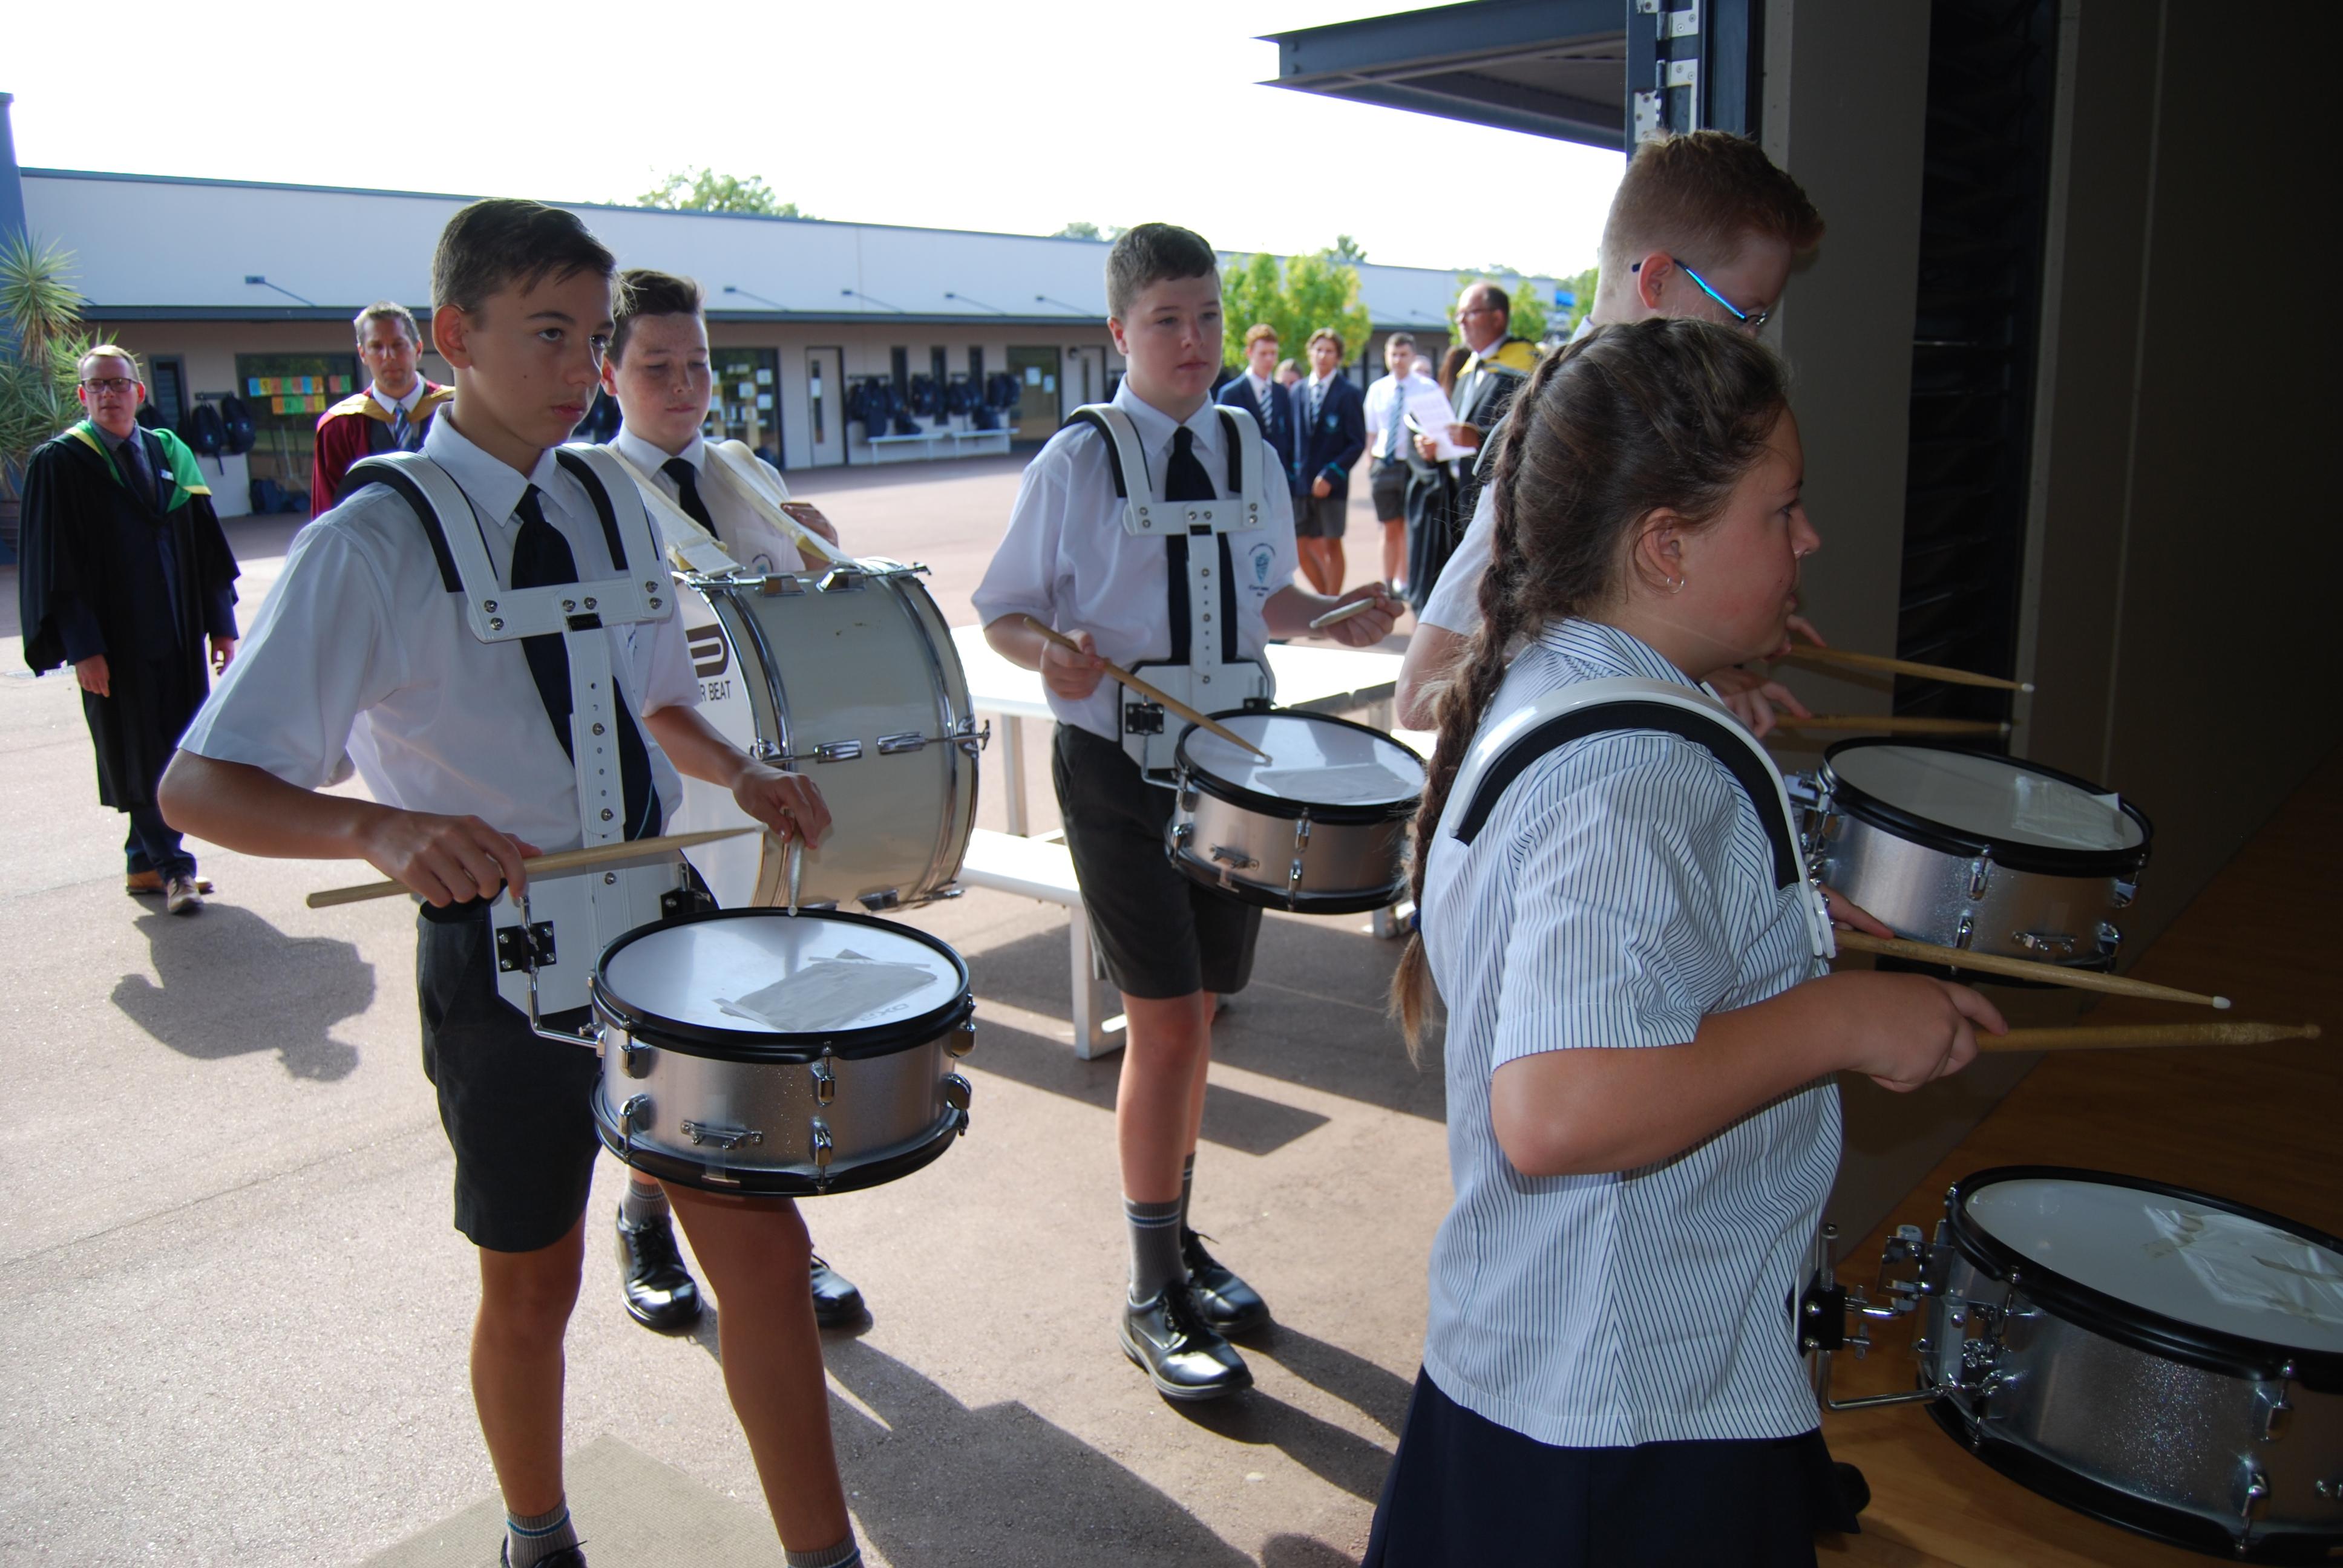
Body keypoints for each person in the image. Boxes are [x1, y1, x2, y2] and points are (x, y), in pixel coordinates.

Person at [159, 200, 863, 1568]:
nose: (576, 367)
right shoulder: (370, 540)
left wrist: (746, 770)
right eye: (549, 334)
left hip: (660, 936)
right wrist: (376, 830)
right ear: (451, 337)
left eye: (590, 339)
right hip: (498, 957)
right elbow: (202, 784)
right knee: (531, 1279)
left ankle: (823, 1558)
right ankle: (537, 1535)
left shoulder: (609, 498)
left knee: (765, 1255)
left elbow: (658, 699)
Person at [1369, 320, 2003, 1566]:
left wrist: (1787, 933)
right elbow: (1558, 1109)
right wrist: (1839, 1020)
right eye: (1781, 512)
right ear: (1664, 545)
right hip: (1622, 1426)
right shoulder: (1631, 767)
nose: (1809, 539)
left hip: (1551, 1364)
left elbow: (1598, 954)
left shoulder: (1547, 680)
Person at [973, 223, 1397, 1403]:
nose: (1193, 340)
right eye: (1165, 319)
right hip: (1120, 776)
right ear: (1118, 332)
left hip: (1235, 766)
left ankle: (1181, 1240)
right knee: (1164, 1026)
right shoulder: (1079, 459)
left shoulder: (1246, 444)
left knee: (1204, 1011)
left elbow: (1260, 596)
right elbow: (1005, 608)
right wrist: (1049, 652)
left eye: (1206, 317)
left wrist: (1325, 618)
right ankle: (1149, 1288)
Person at [593, 266, 865, 1337]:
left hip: (779, 793)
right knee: (686, 1037)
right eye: (656, 365)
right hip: (680, 804)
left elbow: (805, 616)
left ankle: (777, 1237)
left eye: (698, 362)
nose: (683, 384)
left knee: (784, 1025)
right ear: (609, 371)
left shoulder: (745, 471)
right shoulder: (597, 491)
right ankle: (646, 1219)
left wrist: (817, 547)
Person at [1397, 131, 1826, 731]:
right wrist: (1673, 676)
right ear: (1655, 282)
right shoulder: (1572, 437)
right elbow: (1421, 692)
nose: (1749, 340)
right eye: (1744, 314)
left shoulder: (1649, 420)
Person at [17, 344, 240, 916]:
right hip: (114, 642)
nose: (110, 393)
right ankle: (175, 871)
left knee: (177, 745)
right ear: (82, 395)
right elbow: (56, 567)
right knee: (142, 751)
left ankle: (143, 863)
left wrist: (221, 627)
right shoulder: (62, 462)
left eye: (120, 383)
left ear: (140, 392)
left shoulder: (171, 452)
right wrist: (83, 649)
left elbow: (207, 548)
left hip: (178, 630)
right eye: (98, 385)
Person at [312, 301, 453, 516]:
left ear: (418, 348)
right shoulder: (339, 426)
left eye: (398, 344)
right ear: (362, 354)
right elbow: (328, 511)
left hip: (453, 539)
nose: (389, 356)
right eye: (377, 347)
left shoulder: (458, 409)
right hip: (372, 545)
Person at [1291, 327, 1366, 595]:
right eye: (1318, 349)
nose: (1323, 356)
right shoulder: (1297, 391)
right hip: (1301, 484)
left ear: (1338, 357)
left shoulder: (1349, 394)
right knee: (1299, 546)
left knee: (1332, 543)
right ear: (1310, 353)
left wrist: (1332, 475)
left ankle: (1333, 604)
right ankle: (1326, 601)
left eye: (1330, 351)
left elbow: (1356, 443)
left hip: (1332, 484)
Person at [1359, 332, 1423, 594]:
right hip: (1384, 464)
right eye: (1393, 355)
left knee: (1408, 525)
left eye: (1403, 355)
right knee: (1389, 526)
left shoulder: (1426, 388)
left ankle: (1405, 581)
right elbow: (1372, 431)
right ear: (1386, 357)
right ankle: (1387, 581)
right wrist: (1370, 462)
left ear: (1412, 357)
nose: (1398, 360)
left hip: (1412, 466)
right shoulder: (1377, 390)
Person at [1215, 322, 1302, 504]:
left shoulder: (1282, 393)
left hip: (1277, 480)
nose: (1269, 359)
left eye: (1273, 353)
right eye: (1263, 353)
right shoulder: (1231, 393)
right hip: (1242, 481)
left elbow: (1290, 437)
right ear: (1249, 353)